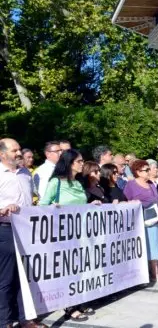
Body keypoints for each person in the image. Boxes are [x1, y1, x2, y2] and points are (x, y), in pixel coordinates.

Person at [39, 149, 97, 321]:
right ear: (70, 163)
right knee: (67, 270)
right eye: (79, 161)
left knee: (79, 269)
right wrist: (53, 208)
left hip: (80, 234)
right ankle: (69, 307)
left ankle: (77, 301)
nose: (82, 164)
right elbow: (42, 206)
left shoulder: (78, 183)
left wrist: (92, 204)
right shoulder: (56, 182)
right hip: (62, 235)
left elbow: (81, 205)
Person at [0, 138, 49, 328]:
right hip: (5, 230)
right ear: (2, 154)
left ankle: (26, 319)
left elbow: (34, 199)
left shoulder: (25, 173)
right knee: (6, 279)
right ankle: (4, 322)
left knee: (26, 277)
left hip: (27, 231)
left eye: (19, 149)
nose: (19, 153)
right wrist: (3, 209)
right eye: (14, 151)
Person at [123, 160, 158, 283]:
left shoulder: (152, 184)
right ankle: (142, 274)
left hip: (153, 220)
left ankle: (155, 273)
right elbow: (125, 202)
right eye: (146, 170)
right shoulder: (131, 185)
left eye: (149, 169)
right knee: (141, 247)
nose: (149, 172)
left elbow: (157, 202)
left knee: (154, 246)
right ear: (137, 172)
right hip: (138, 221)